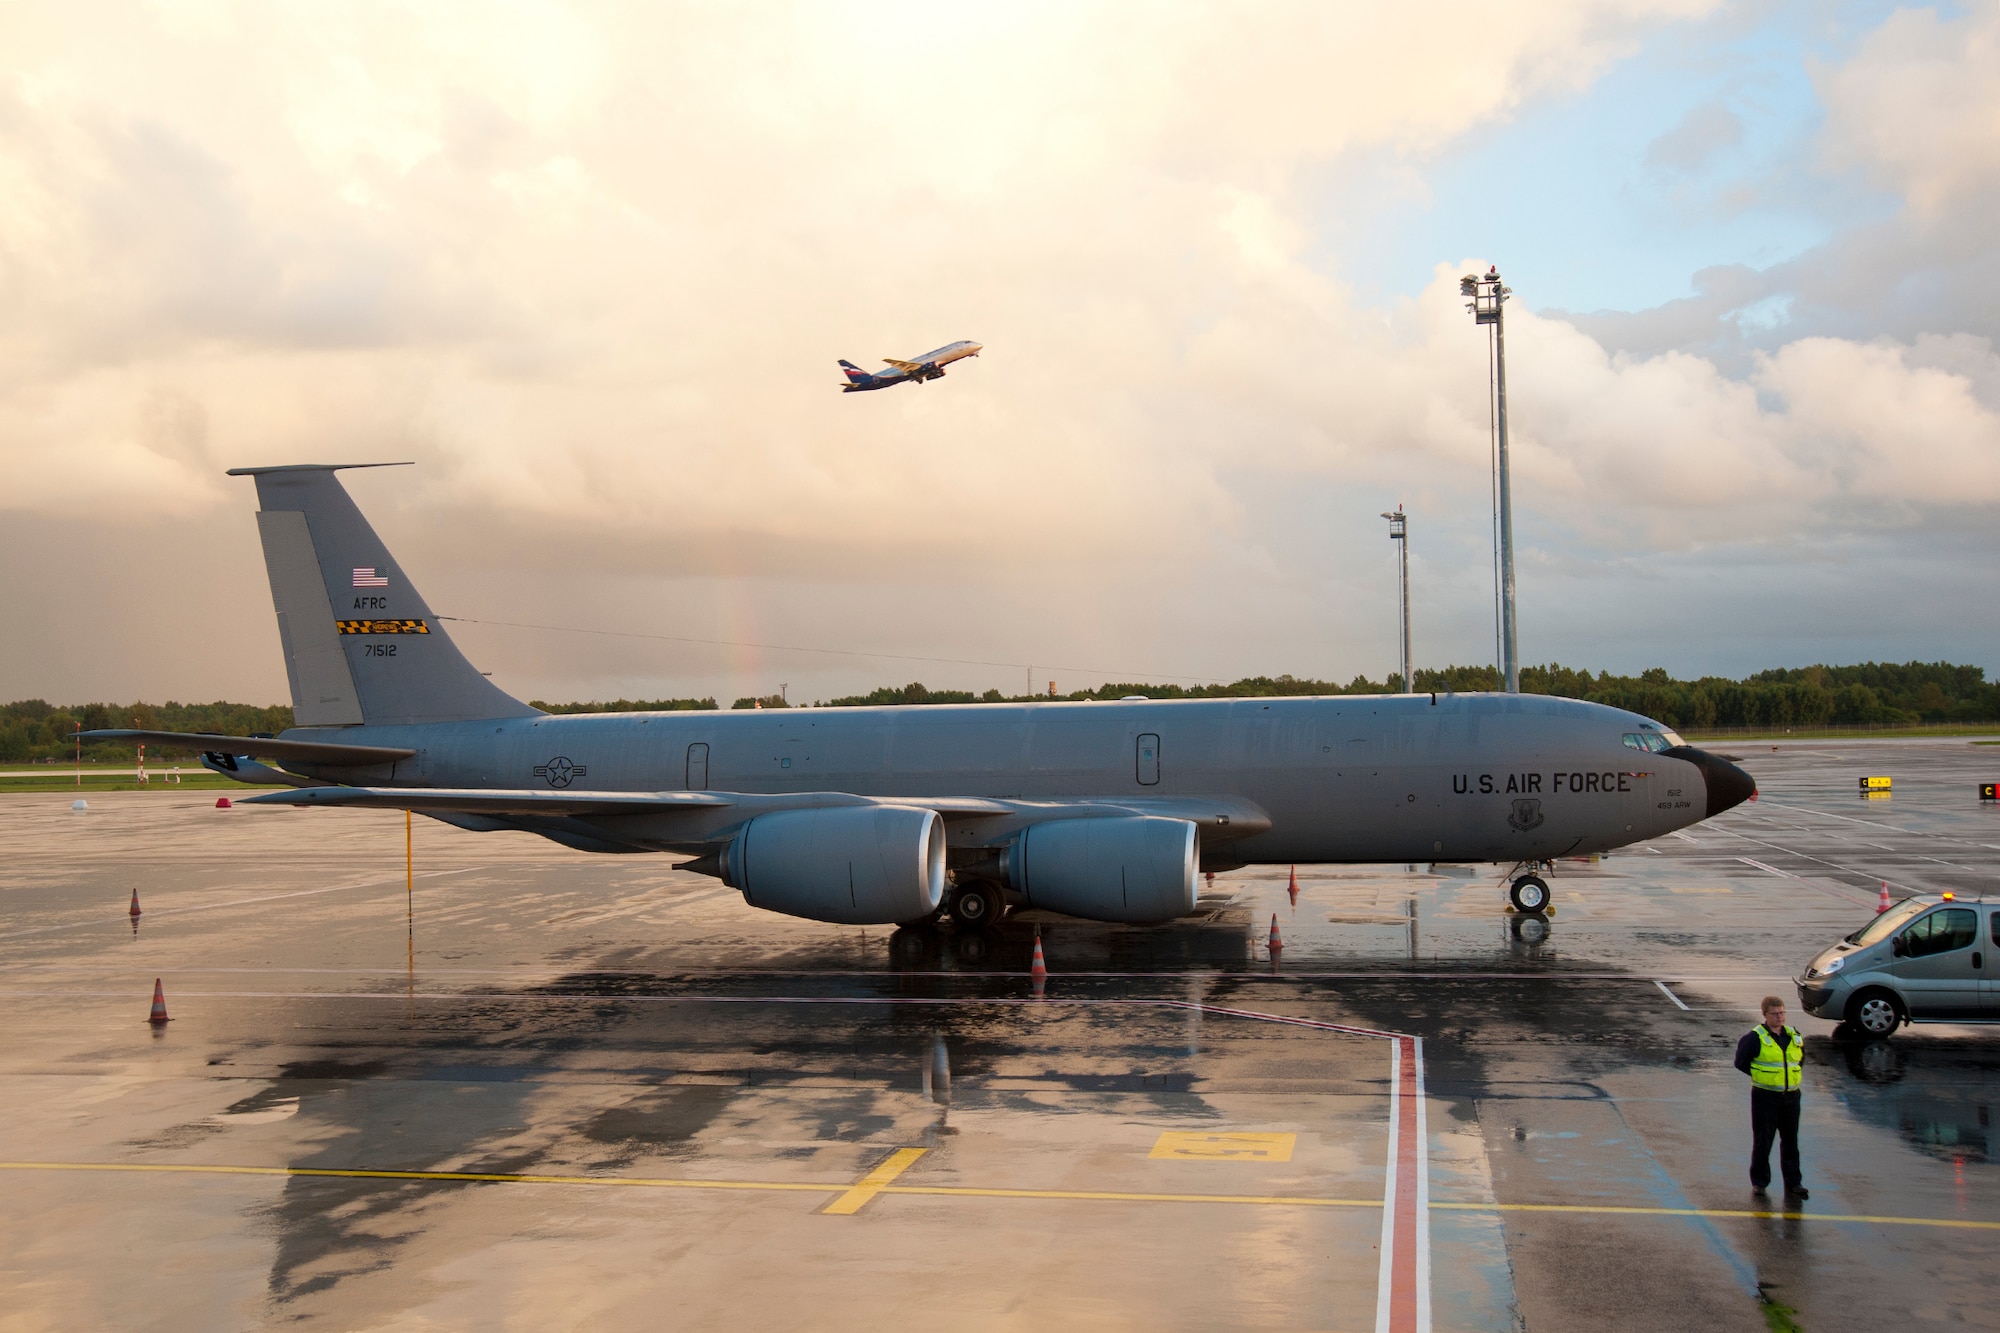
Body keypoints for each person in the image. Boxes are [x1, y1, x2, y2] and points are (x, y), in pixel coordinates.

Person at [1733, 995, 1807, 1201]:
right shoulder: (1754, 1038)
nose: (1780, 1017)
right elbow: (1741, 1062)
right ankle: (1759, 1182)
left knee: (1791, 1141)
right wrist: (1763, 1077)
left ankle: (1794, 1182)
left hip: (1791, 1097)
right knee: (1763, 1142)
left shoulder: (1794, 1036)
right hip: (1765, 1098)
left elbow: (1800, 1060)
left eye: (1782, 1012)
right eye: (1775, 1014)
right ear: (1765, 1015)